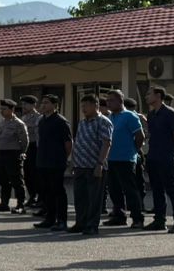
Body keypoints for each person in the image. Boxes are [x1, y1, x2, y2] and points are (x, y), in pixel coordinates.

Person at [144, 86, 174, 233]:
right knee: (157, 190)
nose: (146, 97)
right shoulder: (151, 114)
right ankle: (159, 220)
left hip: (167, 157)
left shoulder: (170, 113)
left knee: (173, 189)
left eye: (149, 94)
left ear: (158, 96)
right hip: (153, 156)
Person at [102, 90, 146, 228]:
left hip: (126, 159)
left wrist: (133, 150)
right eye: (107, 100)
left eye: (111, 100)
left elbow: (140, 136)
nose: (108, 103)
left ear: (120, 101)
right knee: (114, 190)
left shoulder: (129, 116)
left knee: (130, 190)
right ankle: (119, 216)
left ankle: (137, 218)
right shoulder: (110, 117)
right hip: (111, 158)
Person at [69, 94, 112, 236]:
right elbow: (78, 142)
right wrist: (73, 161)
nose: (83, 109)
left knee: (94, 198)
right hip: (80, 165)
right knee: (80, 197)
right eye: (82, 106)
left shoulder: (103, 122)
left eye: (86, 106)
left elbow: (106, 143)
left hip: (94, 166)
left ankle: (92, 225)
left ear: (96, 105)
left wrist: (100, 164)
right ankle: (80, 223)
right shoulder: (82, 122)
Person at [33, 95, 72, 231]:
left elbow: (68, 143)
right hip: (42, 161)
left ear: (55, 105)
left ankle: (62, 220)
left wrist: (64, 158)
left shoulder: (61, 121)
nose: (43, 105)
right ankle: (49, 218)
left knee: (58, 191)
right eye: (42, 103)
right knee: (46, 191)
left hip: (56, 162)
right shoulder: (42, 121)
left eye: (46, 103)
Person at [0, 99, 28, 214]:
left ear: (12, 109)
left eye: (4, 109)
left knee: (17, 181)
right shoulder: (3, 122)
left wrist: (22, 153)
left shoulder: (18, 123)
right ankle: (4, 203)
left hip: (13, 154)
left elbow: (25, 141)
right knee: (2, 179)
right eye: (1, 109)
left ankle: (20, 205)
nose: (1, 111)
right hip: (2, 154)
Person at [19, 96, 42, 209]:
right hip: (26, 148)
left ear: (33, 105)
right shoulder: (23, 118)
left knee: (35, 174)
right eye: (22, 104)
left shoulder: (39, 118)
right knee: (27, 174)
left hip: (35, 147)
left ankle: (40, 198)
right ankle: (32, 196)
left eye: (25, 104)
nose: (23, 106)